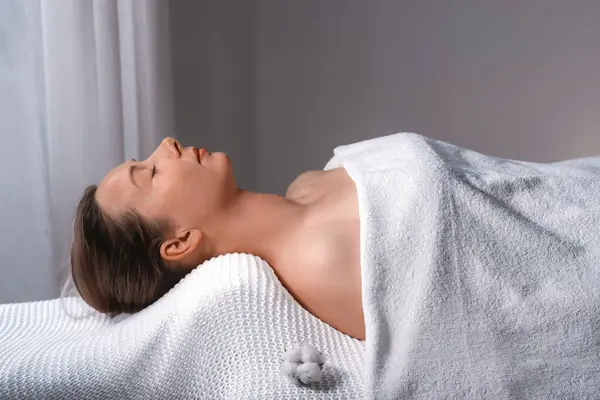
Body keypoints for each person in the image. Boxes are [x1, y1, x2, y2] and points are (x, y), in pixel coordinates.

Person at [71, 137, 365, 340]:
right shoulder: (324, 263)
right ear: (179, 243)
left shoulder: (305, 184)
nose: (167, 143)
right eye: (152, 173)